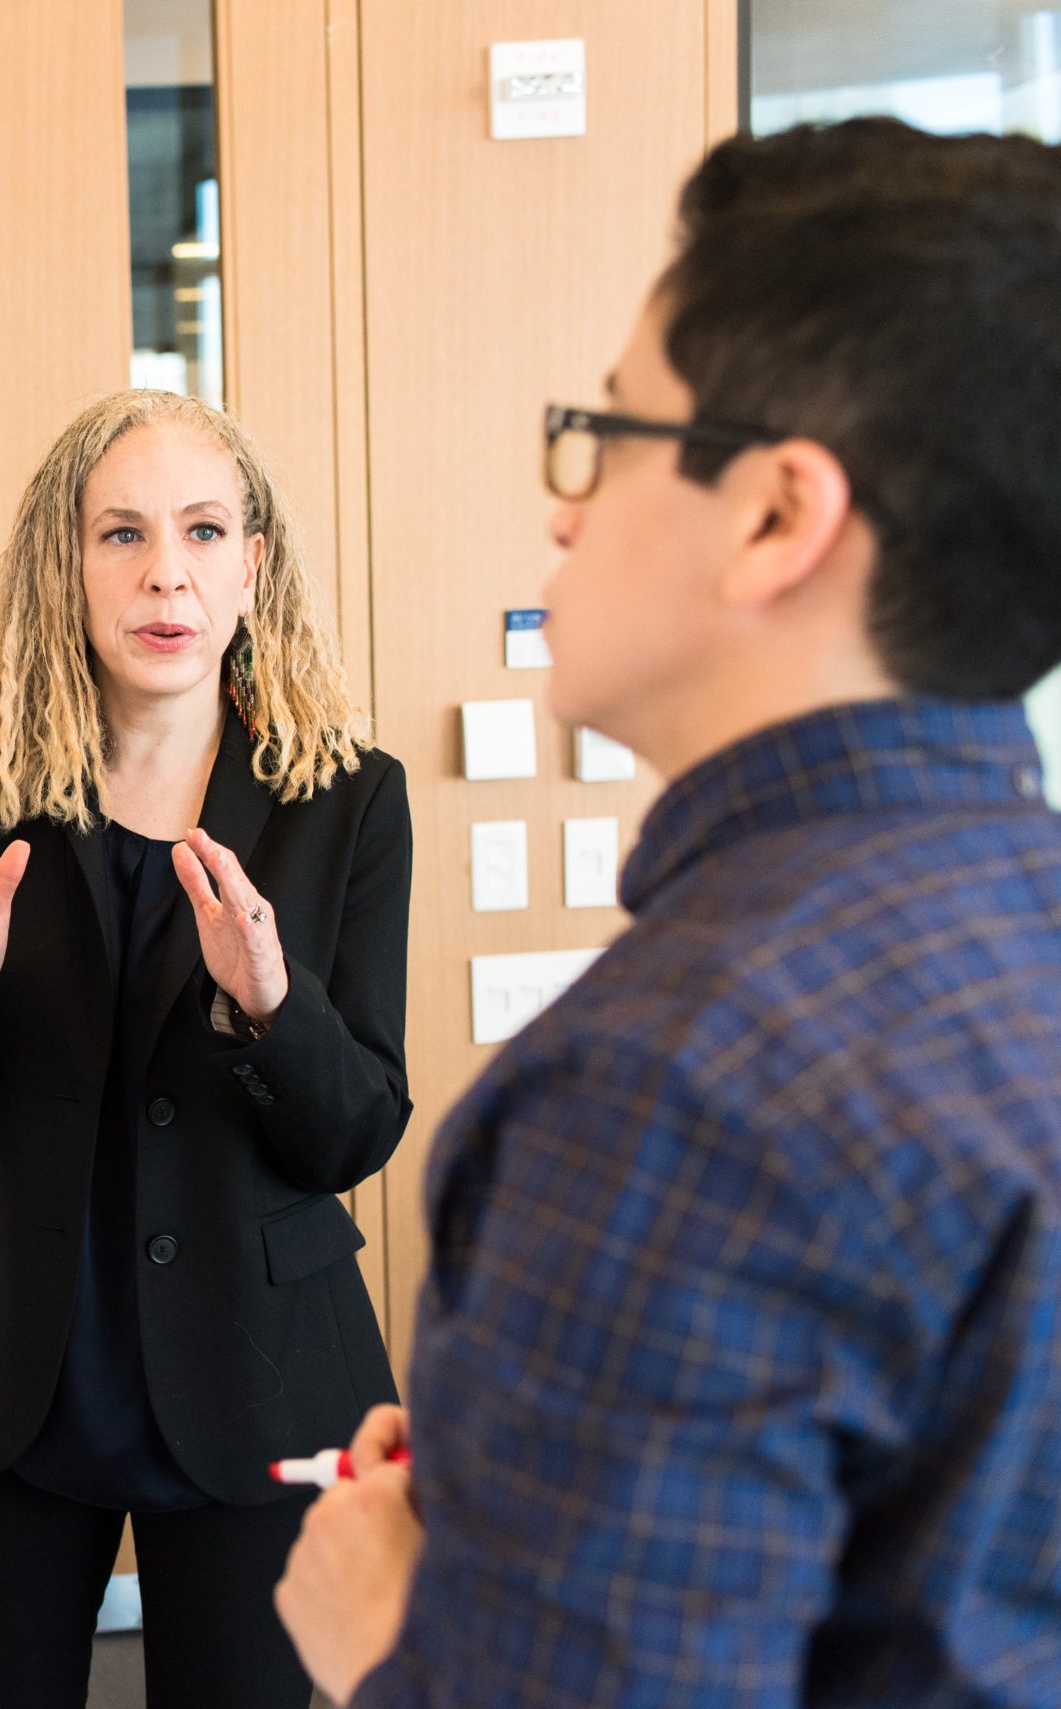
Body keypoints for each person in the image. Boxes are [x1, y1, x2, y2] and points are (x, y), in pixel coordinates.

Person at [273, 118, 1061, 1707]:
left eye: (608, 431)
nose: (566, 509)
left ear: (778, 513)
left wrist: (384, 1636)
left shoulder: (674, 1087)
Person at [0, 388, 414, 1707]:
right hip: (16, 1372)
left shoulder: (348, 801)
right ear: (67, 564)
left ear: (252, 566)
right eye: (122, 534)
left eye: (205, 530)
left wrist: (278, 1008)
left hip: (260, 1368)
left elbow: (358, 1128)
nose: (166, 570)